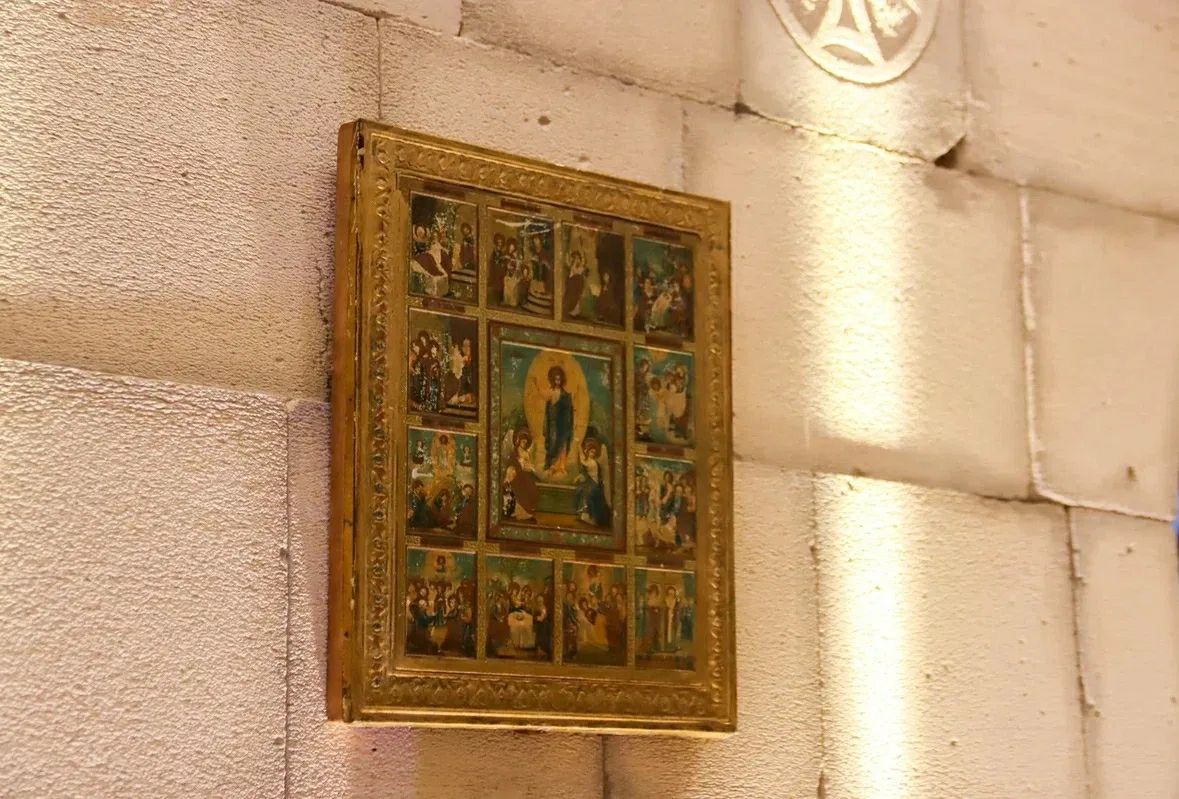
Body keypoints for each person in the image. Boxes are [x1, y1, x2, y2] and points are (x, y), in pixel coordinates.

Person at [542, 365, 573, 475]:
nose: (557, 381)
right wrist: (546, 424)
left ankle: (561, 466)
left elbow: (568, 411)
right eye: (556, 379)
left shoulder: (565, 395)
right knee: (553, 443)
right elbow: (547, 411)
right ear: (553, 380)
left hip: (563, 424)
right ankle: (551, 466)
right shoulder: (550, 392)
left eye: (559, 379)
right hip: (553, 424)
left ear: (562, 380)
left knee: (563, 444)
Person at [574, 438, 611, 528]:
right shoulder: (588, 460)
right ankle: (582, 514)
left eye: (594, 452)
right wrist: (579, 446)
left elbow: (583, 462)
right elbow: (583, 460)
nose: (592, 454)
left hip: (594, 485)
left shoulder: (593, 463)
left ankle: (589, 517)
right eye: (591, 452)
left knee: (587, 493)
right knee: (579, 490)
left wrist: (579, 447)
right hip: (589, 484)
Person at [506, 430, 540, 521]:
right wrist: (518, 464)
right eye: (523, 441)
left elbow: (530, 464)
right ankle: (519, 511)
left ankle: (527, 512)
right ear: (519, 441)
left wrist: (529, 466)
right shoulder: (515, 452)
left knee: (532, 487)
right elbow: (511, 463)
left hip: (525, 474)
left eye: (525, 442)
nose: (524, 444)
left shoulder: (526, 453)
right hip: (516, 475)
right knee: (522, 487)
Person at [564, 250, 587, 318]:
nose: (576, 260)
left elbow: (578, 271)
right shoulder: (572, 266)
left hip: (578, 286)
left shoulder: (581, 268)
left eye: (578, 258)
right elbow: (571, 273)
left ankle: (575, 311)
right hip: (571, 286)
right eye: (575, 258)